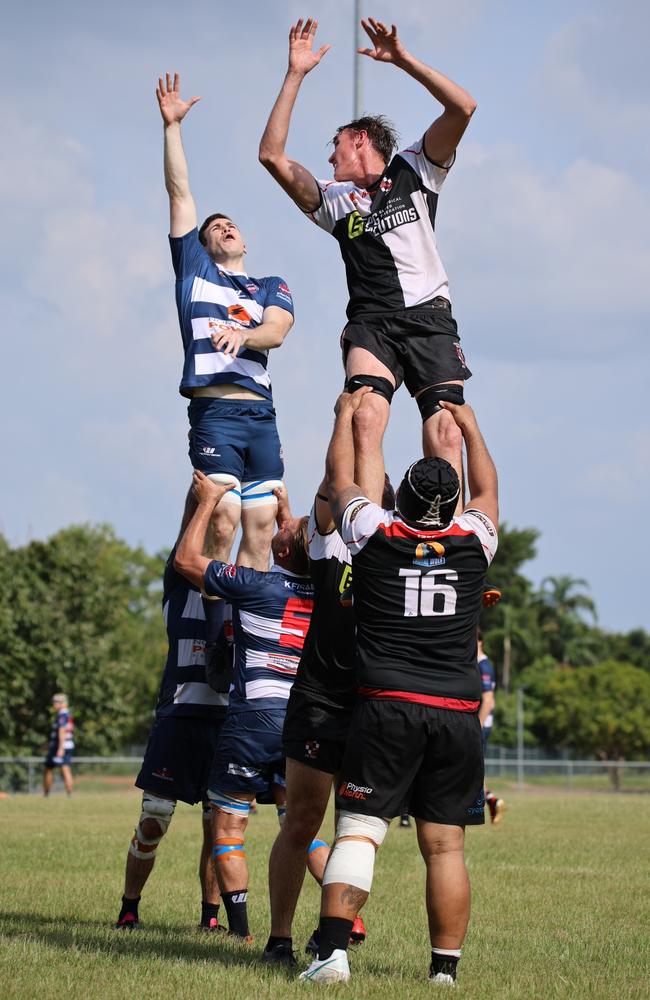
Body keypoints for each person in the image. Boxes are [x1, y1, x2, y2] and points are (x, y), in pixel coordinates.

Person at [300, 389, 499, 985]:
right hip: (457, 712)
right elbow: (488, 490)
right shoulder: (474, 544)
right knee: (445, 849)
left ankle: (332, 955)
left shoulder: (378, 536)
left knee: (360, 832)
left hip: (387, 707)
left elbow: (342, 483)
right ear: (454, 505)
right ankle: (444, 972)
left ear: (403, 497)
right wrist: (467, 421)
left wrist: (342, 418)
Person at [259, 16, 476, 505]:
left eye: (334, 146)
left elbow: (463, 107)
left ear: (359, 139)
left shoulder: (415, 168)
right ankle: (371, 537)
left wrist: (402, 60)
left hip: (428, 319)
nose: (329, 158)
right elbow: (271, 156)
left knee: (446, 430)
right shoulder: (333, 199)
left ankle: (448, 542)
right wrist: (295, 74)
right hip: (371, 324)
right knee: (364, 415)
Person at [174, 471, 325, 942]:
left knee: (229, 824)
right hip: (301, 722)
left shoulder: (254, 585)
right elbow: (295, 544)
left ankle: (239, 930)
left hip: (252, 719)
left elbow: (186, 560)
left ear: (280, 552)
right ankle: (349, 917)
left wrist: (207, 500)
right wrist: (285, 508)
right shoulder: (323, 592)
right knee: (300, 826)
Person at [157, 71, 295, 574]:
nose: (224, 228)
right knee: (224, 517)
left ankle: (246, 638)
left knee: (261, 528)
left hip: (261, 417)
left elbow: (277, 331)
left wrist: (245, 335)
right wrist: (173, 128)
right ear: (204, 244)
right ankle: (214, 638)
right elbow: (180, 192)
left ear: (245, 240)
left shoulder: (269, 285)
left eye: (230, 224)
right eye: (214, 227)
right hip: (215, 413)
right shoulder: (195, 273)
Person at [263, 470, 394, 965]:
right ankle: (279, 939)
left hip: (374, 703)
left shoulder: (396, 549)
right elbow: (329, 485)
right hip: (320, 698)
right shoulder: (328, 544)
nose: (349, 499)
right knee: (300, 822)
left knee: (355, 833)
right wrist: (353, 405)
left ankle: (329, 937)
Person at [115, 496, 231, 932]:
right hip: (177, 718)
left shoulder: (238, 587)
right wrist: (203, 491)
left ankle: (211, 919)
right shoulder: (178, 584)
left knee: (217, 826)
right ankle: (129, 908)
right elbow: (189, 532)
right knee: (153, 821)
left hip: (223, 723)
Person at [478, 629, 505, 825]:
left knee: (471, 769)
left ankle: (486, 801)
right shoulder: (481, 665)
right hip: (480, 722)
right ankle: (491, 800)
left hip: (481, 723)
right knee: (474, 769)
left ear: (479, 641)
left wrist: (477, 726)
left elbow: (488, 701)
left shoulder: (483, 666)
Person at [43, 694, 74, 797]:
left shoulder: (62, 715)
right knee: (65, 768)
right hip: (66, 745)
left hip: (60, 747)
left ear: (62, 703)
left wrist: (60, 748)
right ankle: (69, 795)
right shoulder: (67, 715)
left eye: (56, 702)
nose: (54, 704)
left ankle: (47, 794)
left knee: (53, 768)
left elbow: (62, 731)